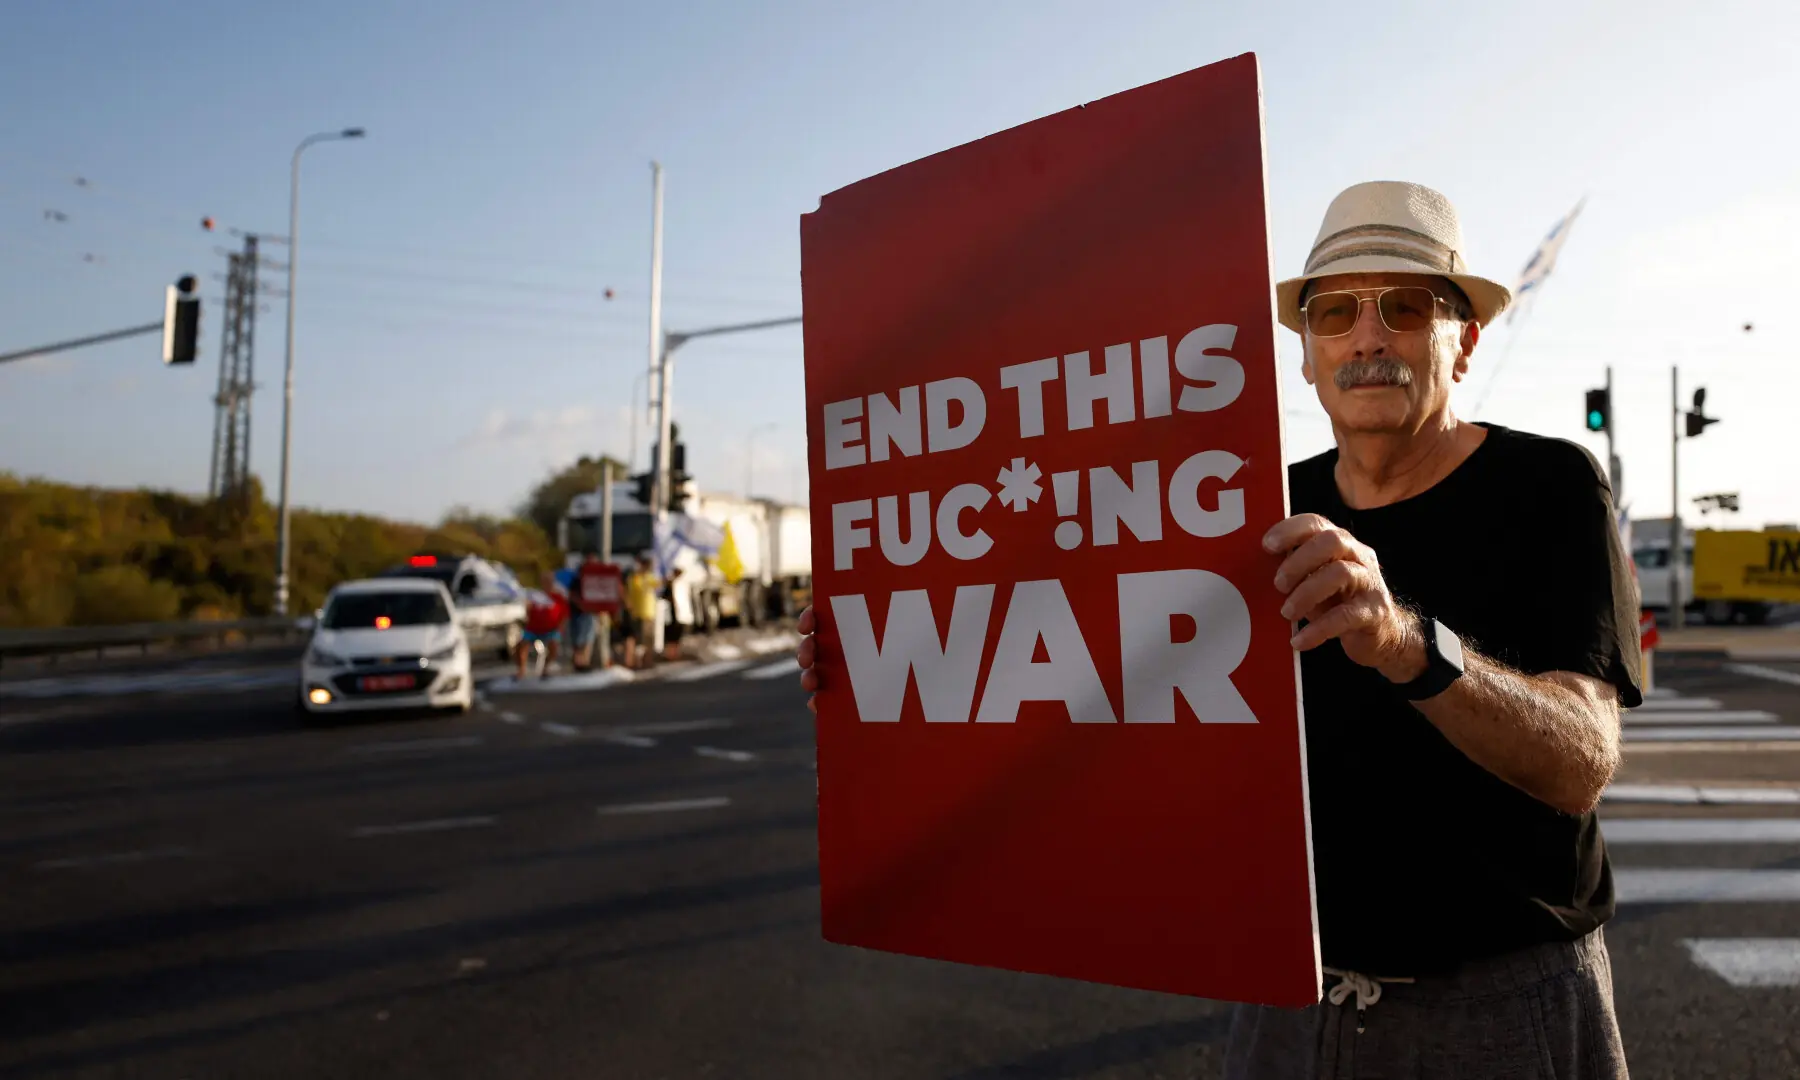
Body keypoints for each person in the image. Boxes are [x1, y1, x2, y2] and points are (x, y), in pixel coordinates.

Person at [795, 181, 1639, 1080]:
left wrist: (1405, 642)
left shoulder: (1549, 487)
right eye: (1334, 313)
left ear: (1461, 341)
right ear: (1304, 356)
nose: (1368, 338)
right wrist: (882, 654)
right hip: (1289, 1006)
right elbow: (1086, 682)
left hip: (1499, 1008)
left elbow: (1582, 762)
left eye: (1404, 306)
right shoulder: (1251, 503)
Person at [514, 572, 568, 680]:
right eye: (544, 582)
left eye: (549, 582)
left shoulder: (558, 597)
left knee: (554, 646)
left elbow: (564, 615)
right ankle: (521, 669)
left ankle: (545, 668)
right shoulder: (536, 595)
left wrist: (560, 629)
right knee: (520, 646)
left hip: (551, 629)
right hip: (533, 628)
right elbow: (528, 610)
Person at [623, 550, 662, 670]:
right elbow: (634, 589)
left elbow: (659, 583)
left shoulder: (649, 577)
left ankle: (647, 661)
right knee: (639, 640)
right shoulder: (635, 578)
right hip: (638, 613)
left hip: (649, 613)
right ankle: (637, 662)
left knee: (648, 640)